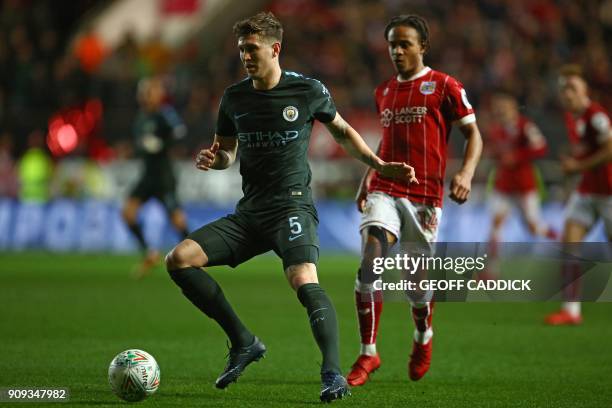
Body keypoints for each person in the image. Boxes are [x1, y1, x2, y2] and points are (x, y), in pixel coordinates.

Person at [163, 12, 416, 402]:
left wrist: (379, 166)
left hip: (292, 207)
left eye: (252, 49)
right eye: (242, 49)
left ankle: (332, 374)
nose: (245, 56)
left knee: (303, 280)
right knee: (179, 259)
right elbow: (227, 152)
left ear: (275, 48)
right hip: (249, 213)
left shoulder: (308, 90)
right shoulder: (234, 98)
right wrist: (216, 161)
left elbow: (344, 132)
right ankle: (243, 342)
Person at [346, 14, 483, 386]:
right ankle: (367, 353)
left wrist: (466, 173)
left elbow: (473, 135)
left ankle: (423, 337)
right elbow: (386, 141)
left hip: (424, 196)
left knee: (415, 284)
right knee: (369, 264)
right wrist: (367, 177)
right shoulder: (384, 91)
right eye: (392, 44)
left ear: (423, 46)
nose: (397, 50)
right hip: (385, 190)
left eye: (405, 43)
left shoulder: (444, 86)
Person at [544, 64, 612, 325]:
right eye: (564, 89)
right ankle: (571, 311)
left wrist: (578, 166)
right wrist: (575, 165)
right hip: (586, 192)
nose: (567, 93)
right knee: (569, 246)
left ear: (586, 90)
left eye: (572, 87)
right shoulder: (573, 117)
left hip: (608, 194)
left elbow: (609, 150)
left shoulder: (597, 116)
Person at [122, 76, 189, 277]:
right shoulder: (141, 118)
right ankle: (150, 254)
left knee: (177, 219)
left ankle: (197, 255)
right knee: (128, 213)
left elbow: (179, 132)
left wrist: (161, 143)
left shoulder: (164, 114)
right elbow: (140, 144)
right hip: (147, 176)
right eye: (145, 92)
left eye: (151, 91)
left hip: (163, 176)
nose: (147, 96)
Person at [486, 91, 557, 261]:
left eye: (504, 107)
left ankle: (558, 240)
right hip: (503, 186)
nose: (500, 111)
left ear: (514, 108)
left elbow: (541, 147)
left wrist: (517, 156)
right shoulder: (495, 130)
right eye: (498, 108)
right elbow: (498, 153)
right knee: (496, 224)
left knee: (533, 227)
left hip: (524, 186)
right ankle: (490, 271)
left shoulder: (526, 126)